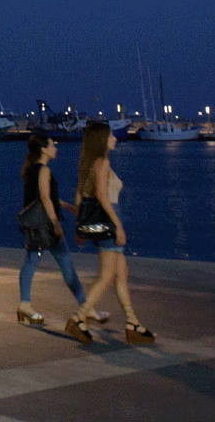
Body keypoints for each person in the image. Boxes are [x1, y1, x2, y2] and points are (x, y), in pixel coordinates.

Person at [66, 121, 155, 345]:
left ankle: (132, 322)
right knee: (107, 276)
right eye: (111, 136)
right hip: (109, 219)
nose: (115, 139)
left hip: (99, 220)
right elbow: (103, 197)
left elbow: (80, 198)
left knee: (121, 273)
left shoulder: (87, 164)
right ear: (101, 140)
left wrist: (80, 229)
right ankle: (79, 317)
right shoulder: (102, 162)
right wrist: (118, 226)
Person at [16, 134, 89, 326]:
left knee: (31, 262)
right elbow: (45, 198)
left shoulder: (31, 169)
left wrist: (66, 206)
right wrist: (56, 223)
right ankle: (85, 306)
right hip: (46, 225)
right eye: (52, 145)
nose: (55, 148)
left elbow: (42, 197)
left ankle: (25, 305)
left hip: (34, 224)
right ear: (43, 149)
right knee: (65, 264)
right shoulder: (44, 170)